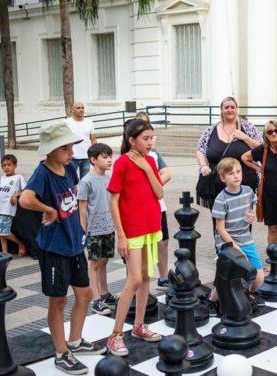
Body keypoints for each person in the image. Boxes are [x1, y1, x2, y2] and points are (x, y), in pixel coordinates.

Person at [20, 122, 106, 375]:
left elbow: (72, 196)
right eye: (66, 147)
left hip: (74, 244)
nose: (71, 152)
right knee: (58, 301)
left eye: (71, 146)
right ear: (52, 149)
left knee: (85, 294)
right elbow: (25, 199)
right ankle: (61, 353)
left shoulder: (69, 168)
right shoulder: (42, 173)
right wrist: (48, 210)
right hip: (54, 249)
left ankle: (76, 341)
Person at [107, 119, 163, 356]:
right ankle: (115, 335)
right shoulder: (121, 163)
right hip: (132, 231)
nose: (150, 143)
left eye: (152, 138)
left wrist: (148, 168)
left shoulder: (150, 160)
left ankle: (139, 326)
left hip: (151, 226)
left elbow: (159, 192)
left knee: (146, 278)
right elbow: (113, 200)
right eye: (145, 138)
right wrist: (120, 235)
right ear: (131, 140)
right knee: (134, 280)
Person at [208, 157, 266, 314]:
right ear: (222, 178)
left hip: (246, 239)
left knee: (259, 277)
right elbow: (220, 228)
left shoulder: (247, 191)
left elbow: (250, 210)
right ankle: (212, 301)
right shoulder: (221, 199)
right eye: (231, 173)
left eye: (238, 172)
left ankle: (246, 293)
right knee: (226, 277)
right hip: (226, 242)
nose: (236, 176)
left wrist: (251, 216)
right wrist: (234, 247)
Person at [196, 97, 262, 212]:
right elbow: (200, 150)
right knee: (219, 222)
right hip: (216, 186)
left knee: (243, 221)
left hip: (244, 186)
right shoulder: (211, 130)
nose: (230, 110)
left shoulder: (248, 128)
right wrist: (203, 166)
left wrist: (245, 137)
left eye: (233, 107)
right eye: (226, 107)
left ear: (236, 109)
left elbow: (262, 149)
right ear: (221, 110)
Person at [78, 143, 117, 316]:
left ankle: (105, 293)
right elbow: (82, 207)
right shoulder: (86, 181)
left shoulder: (108, 179)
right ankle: (96, 300)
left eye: (110, 156)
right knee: (94, 264)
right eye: (105, 157)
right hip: (94, 230)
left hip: (109, 227)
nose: (109, 160)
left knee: (104, 261)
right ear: (93, 160)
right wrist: (84, 230)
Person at [136, 112, 173, 291]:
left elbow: (166, 173)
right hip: (140, 208)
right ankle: (141, 281)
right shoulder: (129, 156)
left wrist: (153, 181)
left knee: (163, 240)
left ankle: (163, 276)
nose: (149, 140)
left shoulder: (154, 154)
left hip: (158, 205)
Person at [0, 154, 27, 255]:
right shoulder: (3, 177)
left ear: (15, 165)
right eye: (4, 165)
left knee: (4, 232)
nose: (6, 167)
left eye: (9, 164)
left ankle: (20, 243)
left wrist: (16, 195)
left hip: (7, 209)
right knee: (0, 233)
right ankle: (4, 252)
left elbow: (26, 190)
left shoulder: (18, 177)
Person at [65, 102, 96, 179]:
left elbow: (93, 140)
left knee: (84, 181)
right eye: (78, 108)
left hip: (86, 157)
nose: (81, 110)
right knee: (70, 180)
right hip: (71, 157)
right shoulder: (66, 123)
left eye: (82, 108)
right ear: (72, 110)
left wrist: (95, 154)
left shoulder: (89, 122)